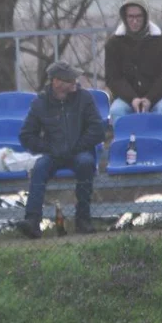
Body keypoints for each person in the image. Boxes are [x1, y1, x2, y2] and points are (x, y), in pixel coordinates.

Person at [17, 62, 104, 237]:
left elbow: (97, 130)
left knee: (86, 163)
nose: (75, 82)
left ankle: (83, 219)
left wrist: (77, 146)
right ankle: (32, 221)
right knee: (39, 167)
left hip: (79, 152)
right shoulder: (40, 103)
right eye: (70, 79)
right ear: (56, 82)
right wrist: (48, 148)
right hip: (53, 153)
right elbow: (26, 136)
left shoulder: (84, 98)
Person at [104, 0, 162, 119]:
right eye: (131, 17)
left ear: (146, 17)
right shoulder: (114, 43)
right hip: (127, 98)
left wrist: (149, 99)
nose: (135, 21)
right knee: (117, 111)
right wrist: (133, 99)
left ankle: (158, 138)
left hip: (159, 96)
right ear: (124, 18)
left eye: (138, 16)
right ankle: (126, 139)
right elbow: (113, 78)